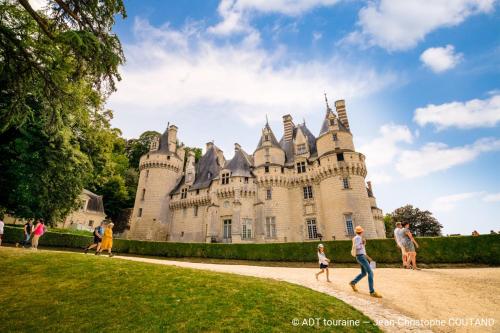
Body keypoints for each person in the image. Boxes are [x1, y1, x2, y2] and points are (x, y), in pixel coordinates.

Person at [349, 226, 382, 298]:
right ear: (362, 231)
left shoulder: (356, 238)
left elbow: (359, 249)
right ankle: (372, 292)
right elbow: (357, 247)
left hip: (360, 257)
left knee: (364, 273)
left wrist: (368, 257)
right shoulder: (358, 238)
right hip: (361, 257)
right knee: (370, 272)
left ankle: (353, 282)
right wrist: (362, 243)